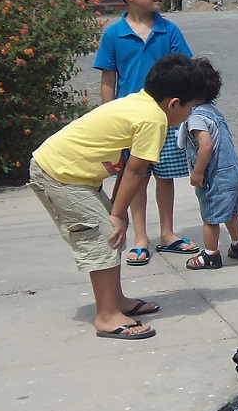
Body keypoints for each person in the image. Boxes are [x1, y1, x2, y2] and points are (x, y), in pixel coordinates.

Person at [29, 53, 202, 340]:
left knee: (111, 232)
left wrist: (116, 211)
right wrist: (117, 215)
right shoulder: (154, 120)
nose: (190, 114)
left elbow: (129, 165)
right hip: (59, 175)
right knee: (104, 236)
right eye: (191, 107)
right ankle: (107, 316)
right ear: (174, 104)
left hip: (70, 173)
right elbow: (136, 171)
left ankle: (116, 301)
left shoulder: (140, 102)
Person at [93, 0, 199, 268]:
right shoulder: (114, 34)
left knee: (165, 178)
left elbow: (185, 69)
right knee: (135, 178)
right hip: (129, 123)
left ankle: (167, 233)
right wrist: (109, 118)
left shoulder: (169, 30)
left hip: (165, 122)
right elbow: (108, 80)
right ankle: (140, 238)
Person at [178, 59, 238, 270]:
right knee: (230, 212)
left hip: (216, 177)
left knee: (211, 217)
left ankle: (210, 255)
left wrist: (197, 172)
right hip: (235, 173)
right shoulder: (214, 111)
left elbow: (206, 145)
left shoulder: (196, 118)